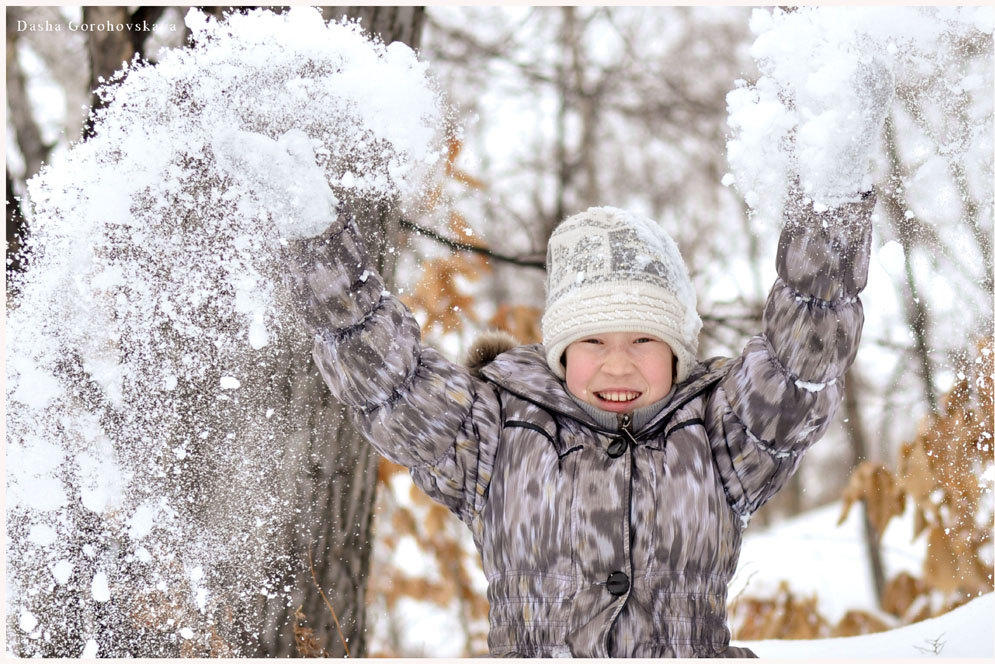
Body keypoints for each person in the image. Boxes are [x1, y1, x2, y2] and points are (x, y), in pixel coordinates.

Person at [282, 69, 891, 659]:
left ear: (678, 355)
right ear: (560, 354)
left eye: (645, 342)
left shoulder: (723, 436)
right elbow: (390, 377)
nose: (618, 366)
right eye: (593, 343)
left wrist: (832, 205)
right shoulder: (492, 434)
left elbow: (803, 353)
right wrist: (315, 237)